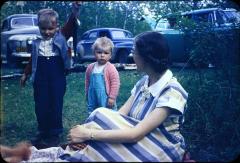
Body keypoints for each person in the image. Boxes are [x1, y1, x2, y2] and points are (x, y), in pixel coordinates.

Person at [21, 31, 189, 162]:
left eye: (134, 52)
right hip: (138, 136)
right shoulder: (144, 82)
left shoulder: (172, 91)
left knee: (95, 132)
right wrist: (91, 129)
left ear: (147, 57)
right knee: (99, 117)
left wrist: (89, 134)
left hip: (159, 146)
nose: (132, 56)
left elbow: (135, 134)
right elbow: (119, 116)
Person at [19, 2, 82, 148]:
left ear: (57, 27)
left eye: (50, 29)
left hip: (56, 76)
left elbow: (72, 23)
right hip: (40, 76)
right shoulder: (36, 42)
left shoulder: (61, 36)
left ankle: (54, 133)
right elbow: (32, 60)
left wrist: (75, 9)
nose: (47, 32)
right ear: (39, 28)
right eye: (43, 29)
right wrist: (25, 74)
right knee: (41, 104)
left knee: (55, 104)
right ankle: (42, 131)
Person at [85, 37, 120, 114]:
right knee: (92, 110)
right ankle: (93, 122)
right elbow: (87, 81)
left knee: (106, 112)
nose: (102, 55)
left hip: (105, 96)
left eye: (106, 53)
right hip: (93, 94)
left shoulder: (110, 68)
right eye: (99, 52)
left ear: (110, 55)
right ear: (94, 53)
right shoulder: (90, 67)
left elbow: (115, 83)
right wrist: (87, 92)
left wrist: (112, 97)